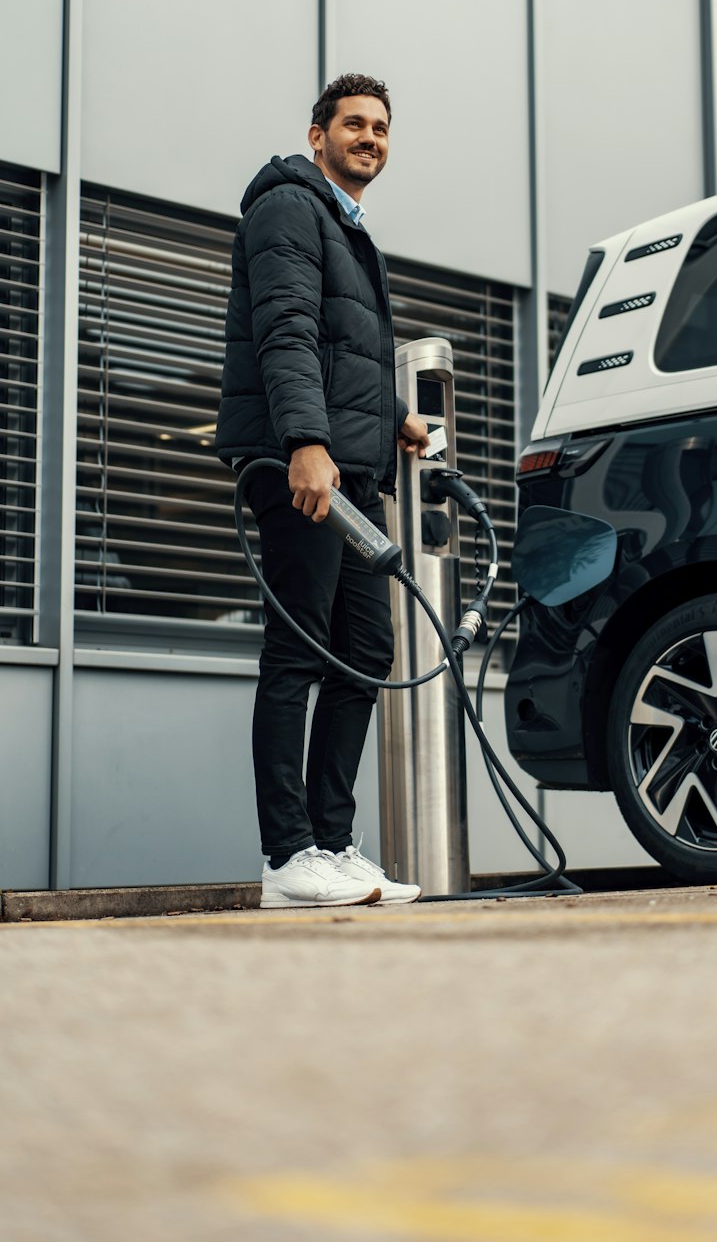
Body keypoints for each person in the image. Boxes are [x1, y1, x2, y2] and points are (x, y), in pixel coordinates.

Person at [216, 73, 430, 908]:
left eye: (380, 126)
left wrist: (400, 416)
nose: (369, 136)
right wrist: (306, 441)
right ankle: (286, 856)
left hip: (352, 472)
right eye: (353, 123)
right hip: (301, 468)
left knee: (365, 652)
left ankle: (334, 845)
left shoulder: (342, 221)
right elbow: (288, 330)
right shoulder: (289, 206)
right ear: (317, 134)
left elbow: (348, 354)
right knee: (299, 649)